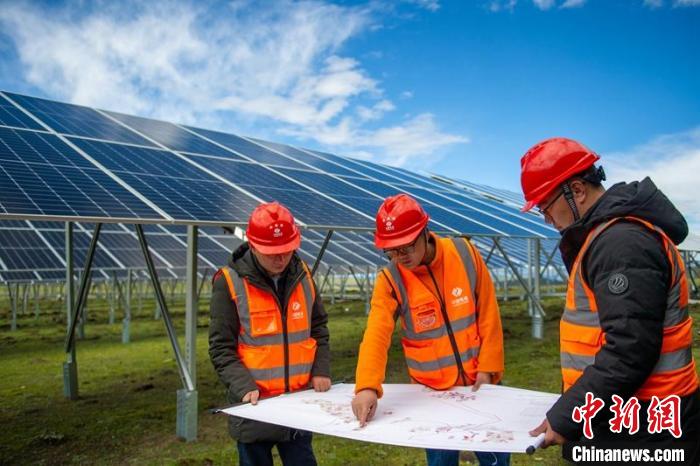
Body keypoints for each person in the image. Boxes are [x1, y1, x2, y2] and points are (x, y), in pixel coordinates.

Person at [521, 137, 700, 463]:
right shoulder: (605, 237)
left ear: (576, 191)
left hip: (645, 423)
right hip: (624, 413)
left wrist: (569, 415)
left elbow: (630, 349)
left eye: (545, 207)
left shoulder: (621, 243)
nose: (546, 219)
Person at [351, 193, 511, 466]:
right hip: (432, 396)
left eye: (406, 248)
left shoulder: (464, 253)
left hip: (481, 385)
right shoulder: (390, 279)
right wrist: (366, 386)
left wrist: (489, 368)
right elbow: (376, 334)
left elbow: (488, 312)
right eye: (391, 250)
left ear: (425, 233)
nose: (400, 257)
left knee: (495, 457)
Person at [208, 201, 331, 466]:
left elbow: (319, 327)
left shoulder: (304, 276)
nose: (281, 258)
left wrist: (321, 369)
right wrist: (244, 388)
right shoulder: (229, 283)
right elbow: (220, 348)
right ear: (252, 245)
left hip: (298, 404)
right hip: (255, 407)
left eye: (287, 250)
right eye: (272, 252)